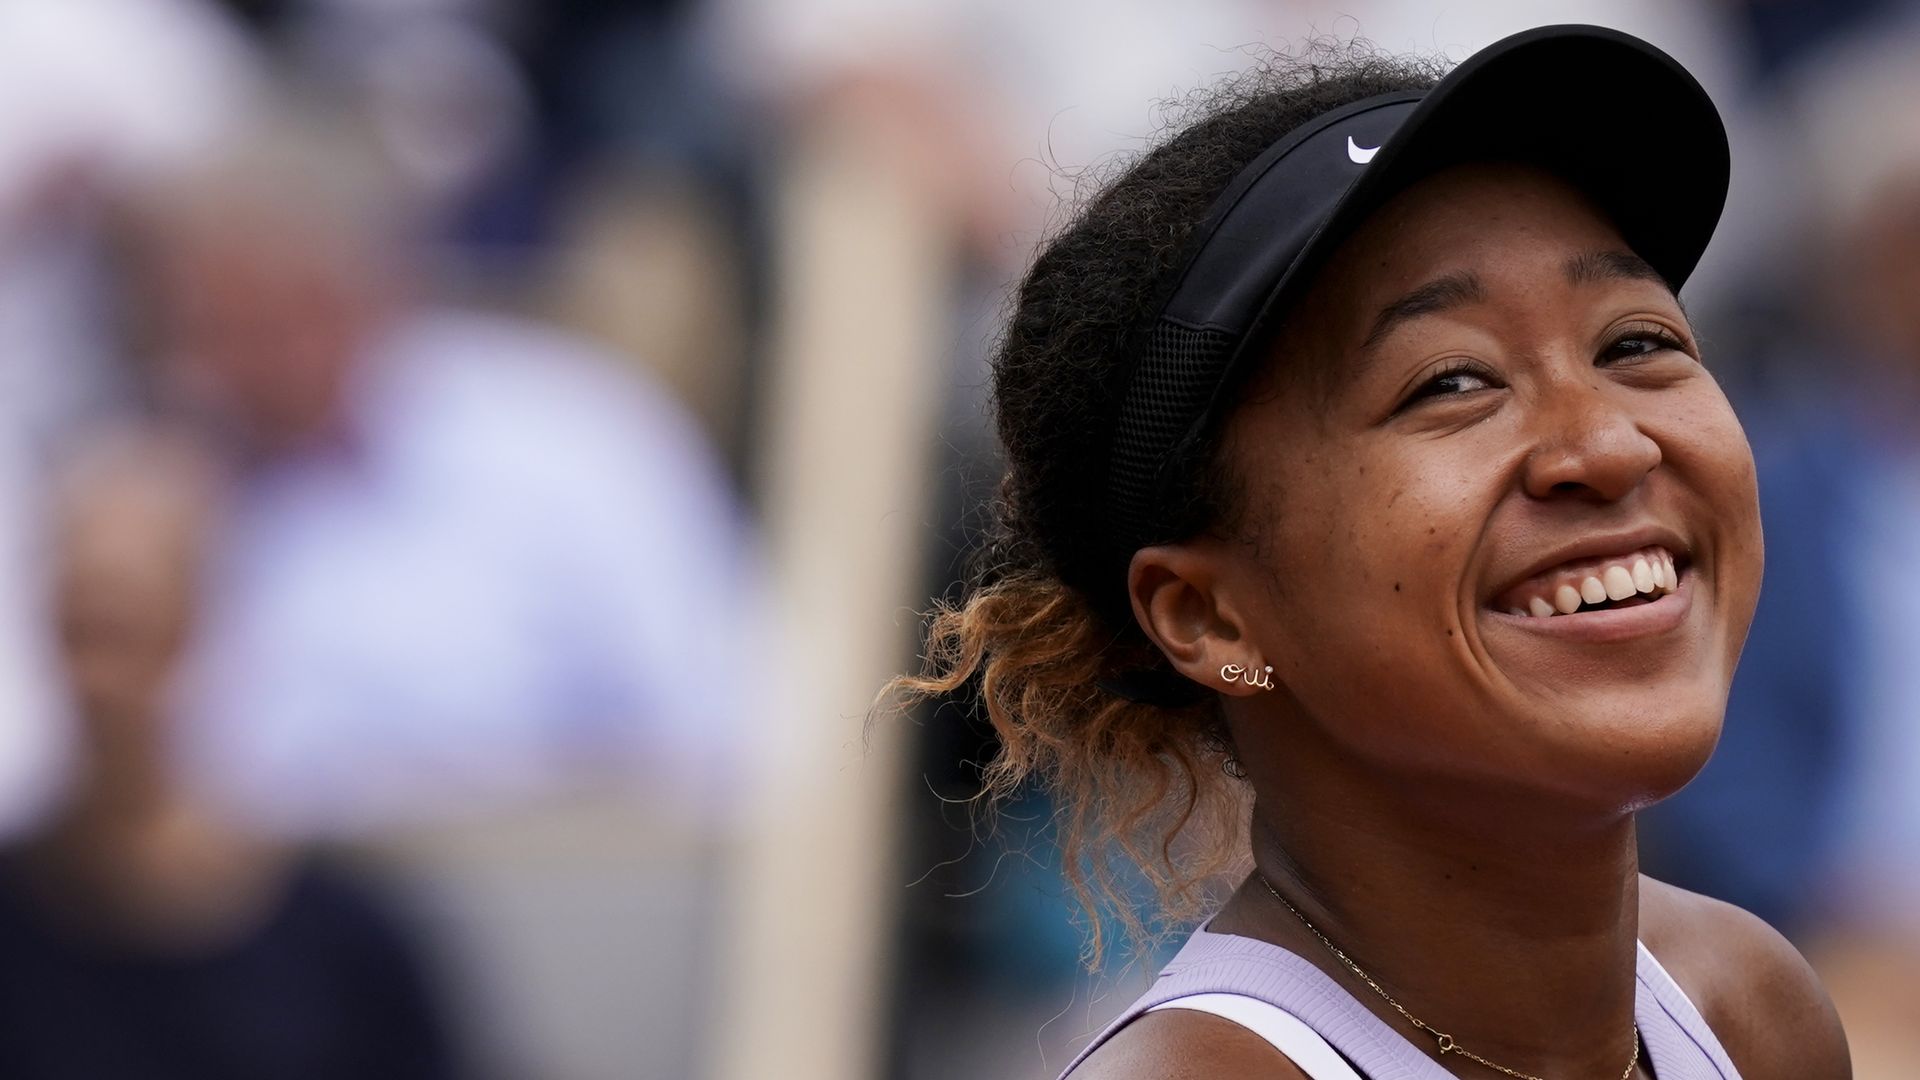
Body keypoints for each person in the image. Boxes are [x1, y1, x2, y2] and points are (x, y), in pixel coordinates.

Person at [888, 25, 1850, 1080]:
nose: (1608, 444)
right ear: (1208, 617)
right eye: (1451, 381)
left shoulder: (1749, 1010)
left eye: (1638, 343)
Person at [0, 427, 460, 1079]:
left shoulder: (345, 943)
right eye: (77, 630)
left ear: (201, 622)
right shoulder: (18, 931)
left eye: (126, 630)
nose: (99, 681)